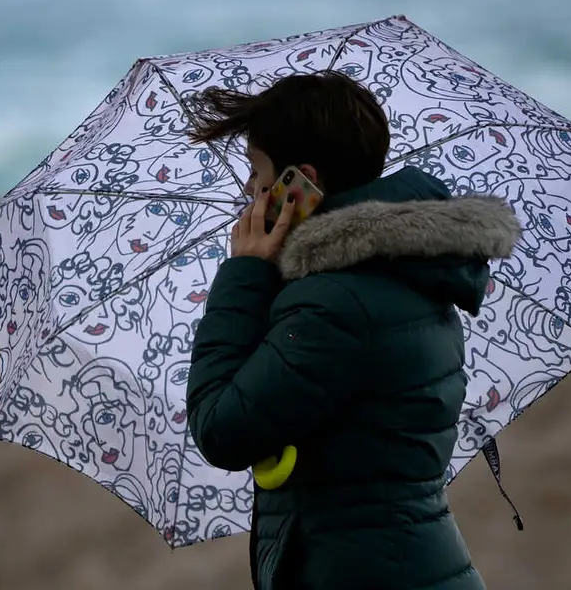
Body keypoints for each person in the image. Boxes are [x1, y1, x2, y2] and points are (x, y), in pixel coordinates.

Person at [184, 71, 522, 590]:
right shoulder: (400, 268)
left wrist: (245, 274)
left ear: (301, 184)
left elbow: (222, 428)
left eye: (258, 170)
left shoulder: (334, 303)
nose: (250, 189)